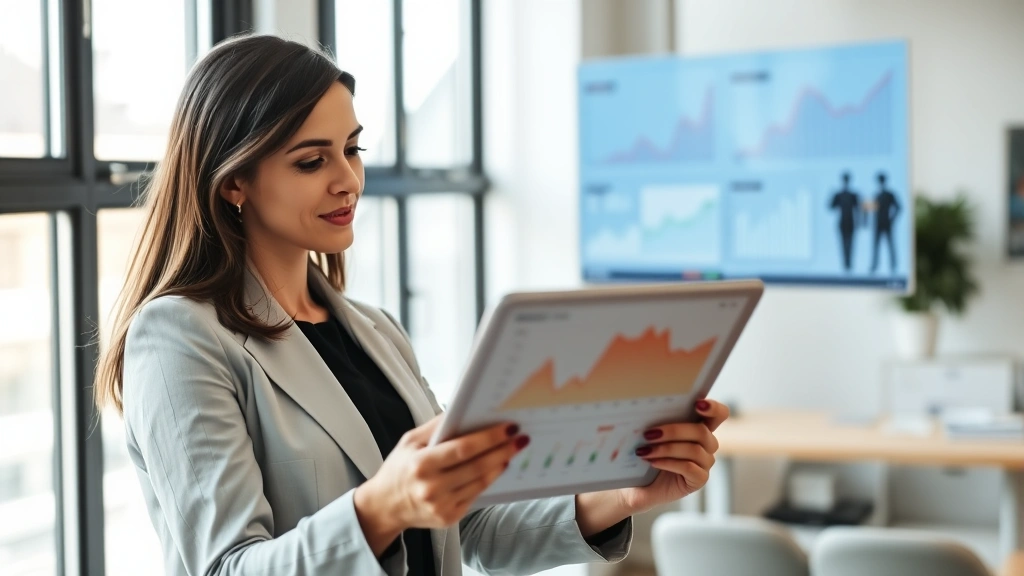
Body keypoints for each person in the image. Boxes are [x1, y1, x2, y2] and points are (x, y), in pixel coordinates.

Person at [94, 35, 729, 576]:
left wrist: (617, 495)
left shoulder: (374, 331)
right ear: (234, 181)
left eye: (353, 148)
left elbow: (470, 528)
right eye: (312, 160)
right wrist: (383, 508)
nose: (347, 178)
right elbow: (229, 566)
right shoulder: (179, 336)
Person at [830, 172, 862, 272]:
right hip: (842, 222)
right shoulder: (838, 194)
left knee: (850, 244)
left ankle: (849, 264)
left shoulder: (853, 195)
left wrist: (859, 222)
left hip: (851, 222)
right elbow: (831, 206)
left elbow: (858, 209)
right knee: (843, 244)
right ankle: (845, 264)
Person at [870, 172, 901, 274]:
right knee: (876, 245)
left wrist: (892, 219)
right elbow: (873, 208)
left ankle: (893, 265)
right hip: (878, 224)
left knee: (890, 245)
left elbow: (898, 207)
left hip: (887, 223)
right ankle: (875, 265)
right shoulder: (876, 195)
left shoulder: (889, 195)